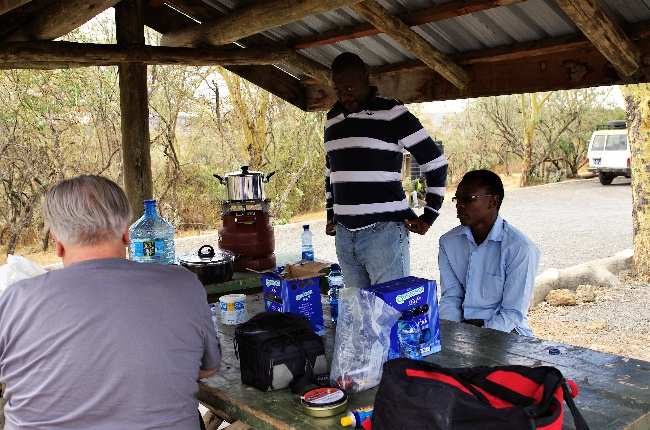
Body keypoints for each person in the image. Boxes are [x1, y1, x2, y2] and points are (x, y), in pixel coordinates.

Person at [0, 175, 221, 429]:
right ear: (127, 234)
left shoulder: (15, 300)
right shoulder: (184, 286)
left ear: (58, 243)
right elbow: (206, 369)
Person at [324, 52, 447, 289]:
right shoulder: (332, 119)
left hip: (384, 234)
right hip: (344, 237)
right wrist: (331, 215)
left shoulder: (392, 113)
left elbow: (435, 162)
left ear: (366, 79)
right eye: (338, 89)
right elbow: (331, 173)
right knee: (361, 314)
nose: (344, 95)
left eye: (350, 87)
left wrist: (430, 214)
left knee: (390, 313)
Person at [438, 170, 539, 335]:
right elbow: (451, 297)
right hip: (462, 330)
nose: (459, 205)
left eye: (468, 199)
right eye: (457, 199)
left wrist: (474, 338)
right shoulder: (448, 243)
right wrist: (452, 334)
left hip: (506, 333)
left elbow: (512, 313)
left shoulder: (520, 248)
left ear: (493, 201)